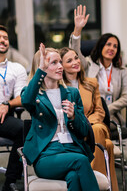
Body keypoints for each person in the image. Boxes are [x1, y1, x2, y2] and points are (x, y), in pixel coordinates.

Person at [21, 44, 99, 191]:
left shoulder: (72, 93)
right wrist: (40, 71)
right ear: (42, 67)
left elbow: (83, 131)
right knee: (81, 160)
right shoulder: (34, 93)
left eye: (60, 62)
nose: (60, 66)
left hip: (72, 149)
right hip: (46, 154)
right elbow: (26, 101)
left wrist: (74, 116)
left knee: (73, 177)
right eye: (53, 63)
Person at [59, 47, 119, 191]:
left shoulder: (91, 83)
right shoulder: (59, 87)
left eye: (76, 58)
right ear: (61, 66)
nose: (75, 62)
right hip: (72, 129)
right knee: (108, 145)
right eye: (69, 60)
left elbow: (99, 110)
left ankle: (91, 178)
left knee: (96, 128)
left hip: (94, 125)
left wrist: (86, 124)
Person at [69, 5, 127, 126]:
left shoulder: (121, 70)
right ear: (101, 46)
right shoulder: (88, 64)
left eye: (115, 46)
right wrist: (77, 30)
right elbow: (74, 53)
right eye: (108, 44)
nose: (111, 48)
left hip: (111, 117)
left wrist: (107, 110)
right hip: (88, 115)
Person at [0, 25, 27, 191]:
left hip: (3, 117)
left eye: (5, 37)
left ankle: (10, 182)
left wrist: (6, 104)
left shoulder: (17, 69)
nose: (2, 40)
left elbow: (22, 97)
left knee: (25, 129)